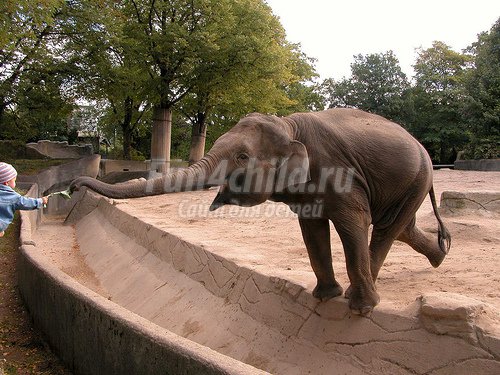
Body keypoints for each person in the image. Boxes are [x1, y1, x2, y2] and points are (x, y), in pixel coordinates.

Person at [0, 162, 48, 237]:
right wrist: (40, 201)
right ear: (6, 183)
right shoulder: (11, 196)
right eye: (14, 180)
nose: (15, 182)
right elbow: (25, 203)